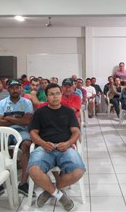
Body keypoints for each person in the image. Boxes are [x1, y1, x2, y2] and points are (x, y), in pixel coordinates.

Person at [28, 83, 86, 211]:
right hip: (45, 147)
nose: (55, 97)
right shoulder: (39, 112)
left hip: (65, 147)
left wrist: (68, 143)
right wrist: (43, 143)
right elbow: (33, 133)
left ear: (61, 94)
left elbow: (76, 132)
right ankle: (60, 195)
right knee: (33, 170)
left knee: (78, 171)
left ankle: (49, 191)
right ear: (47, 97)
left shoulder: (69, 111)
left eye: (57, 93)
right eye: (51, 94)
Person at [0, 79, 34, 198]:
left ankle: (23, 183)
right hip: (5, 132)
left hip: (22, 131)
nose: (15, 90)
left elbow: (27, 121)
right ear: (8, 89)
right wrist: (18, 120)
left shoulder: (27, 103)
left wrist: (9, 118)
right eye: (12, 88)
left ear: (21, 88)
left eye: (17, 87)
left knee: (27, 144)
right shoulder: (2, 103)